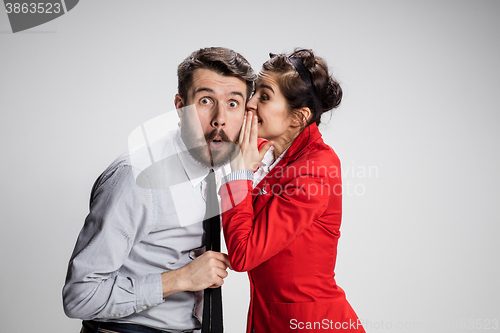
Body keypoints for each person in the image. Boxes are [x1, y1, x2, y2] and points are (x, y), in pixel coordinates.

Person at [62, 47, 256, 333]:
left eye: (233, 104)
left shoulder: (223, 167)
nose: (220, 119)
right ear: (180, 106)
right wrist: (181, 279)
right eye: (205, 101)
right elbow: (80, 297)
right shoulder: (136, 178)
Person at [219, 49, 365, 332]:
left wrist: (239, 173)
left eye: (264, 96)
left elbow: (243, 254)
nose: (250, 104)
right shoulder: (262, 151)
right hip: (269, 318)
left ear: (298, 117)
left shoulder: (317, 168)